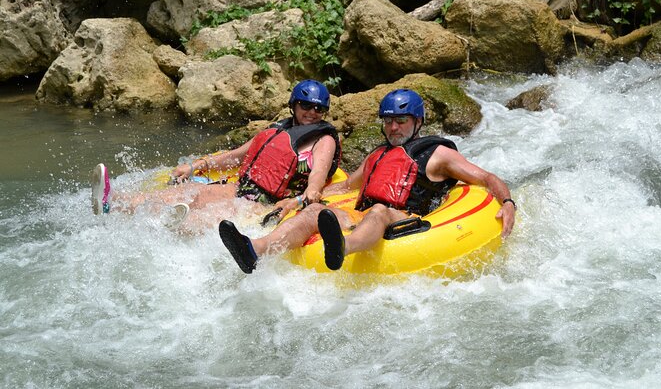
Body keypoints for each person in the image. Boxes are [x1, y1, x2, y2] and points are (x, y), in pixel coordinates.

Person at [219, 89, 516, 274]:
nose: (393, 127)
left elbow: (487, 177)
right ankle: (253, 249)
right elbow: (343, 188)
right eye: (388, 121)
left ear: (418, 122)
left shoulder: (437, 154)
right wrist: (296, 199)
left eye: (401, 121)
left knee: (379, 211)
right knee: (315, 213)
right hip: (362, 216)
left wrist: (507, 201)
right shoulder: (377, 155)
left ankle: (343, 249)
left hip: (405, 217)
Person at [91, 79, 341, 228]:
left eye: (318, 109)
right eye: (306, 105)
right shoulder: (279, 129)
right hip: (242, 188)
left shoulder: (323, 140)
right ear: (294, 105)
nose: (312, 112)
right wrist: (194, 166)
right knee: (191, 195)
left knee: (202, 217)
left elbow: (317, 175)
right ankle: (113, 201)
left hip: (266, 203)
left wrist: (308, 195)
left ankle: (168, 231)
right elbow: (237, 155)